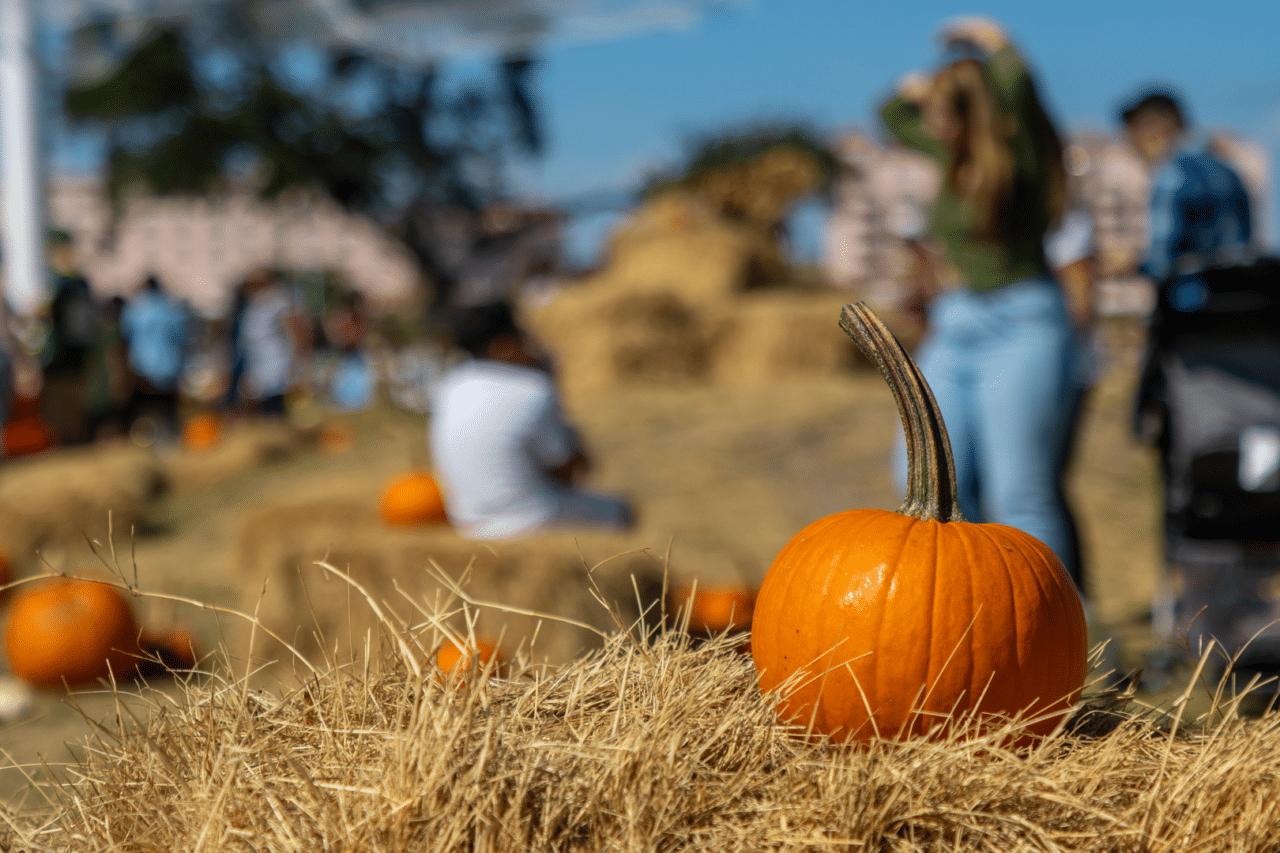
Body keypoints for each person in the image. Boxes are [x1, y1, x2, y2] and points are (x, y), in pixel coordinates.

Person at [879, 17, 1077, 571]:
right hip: (957, 323)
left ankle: (1050, 625)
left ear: (974, 113)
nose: (931, 120)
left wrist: (994, 40)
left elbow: (1023, 95)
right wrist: (919, 88)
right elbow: (891, 117)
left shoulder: (1023, 164)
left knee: (1020, 492)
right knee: (922, 480)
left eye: (944, 109)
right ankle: (961, 611)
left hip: (1024, 322)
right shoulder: (949, 159)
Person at [428, 302, 634, 540]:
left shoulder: (448, 388)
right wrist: (555, 390)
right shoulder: (532, 388)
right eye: (522, 339)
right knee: (622, 511)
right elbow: (570, 473)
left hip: (470, 526)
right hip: (533, 521)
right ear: (504, 347)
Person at [1119, 89, 1252, 285]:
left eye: (1133, 132)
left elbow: (1159, 261)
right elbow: (1243, 242)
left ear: (1156, 127)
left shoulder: (1171, 175)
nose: (1131, 143)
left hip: (1189, 301)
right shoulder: (1228, 171)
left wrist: (1127, 267)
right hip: (1235, 295)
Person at [40, 230, 99, 446]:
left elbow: (44, 314)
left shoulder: (57, 283)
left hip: (59, 363)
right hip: (81, 361)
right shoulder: (82, 283)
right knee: (76, 423)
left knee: (58, 426)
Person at [119, 275, 190, 444]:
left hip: (142, 370)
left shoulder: (134, 309)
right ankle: (170, 442)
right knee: (168, 413)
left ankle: (143, 442)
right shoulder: (172, 308)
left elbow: (125, 338)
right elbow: (181, 339)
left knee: (143, 413)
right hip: (169, 369)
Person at [236, 270, 311, 417]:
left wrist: (300, 365)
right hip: (259, 369)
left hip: (279, 370)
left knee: (275, 414)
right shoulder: (255, 301)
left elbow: (295, 327)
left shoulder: (278, 297)